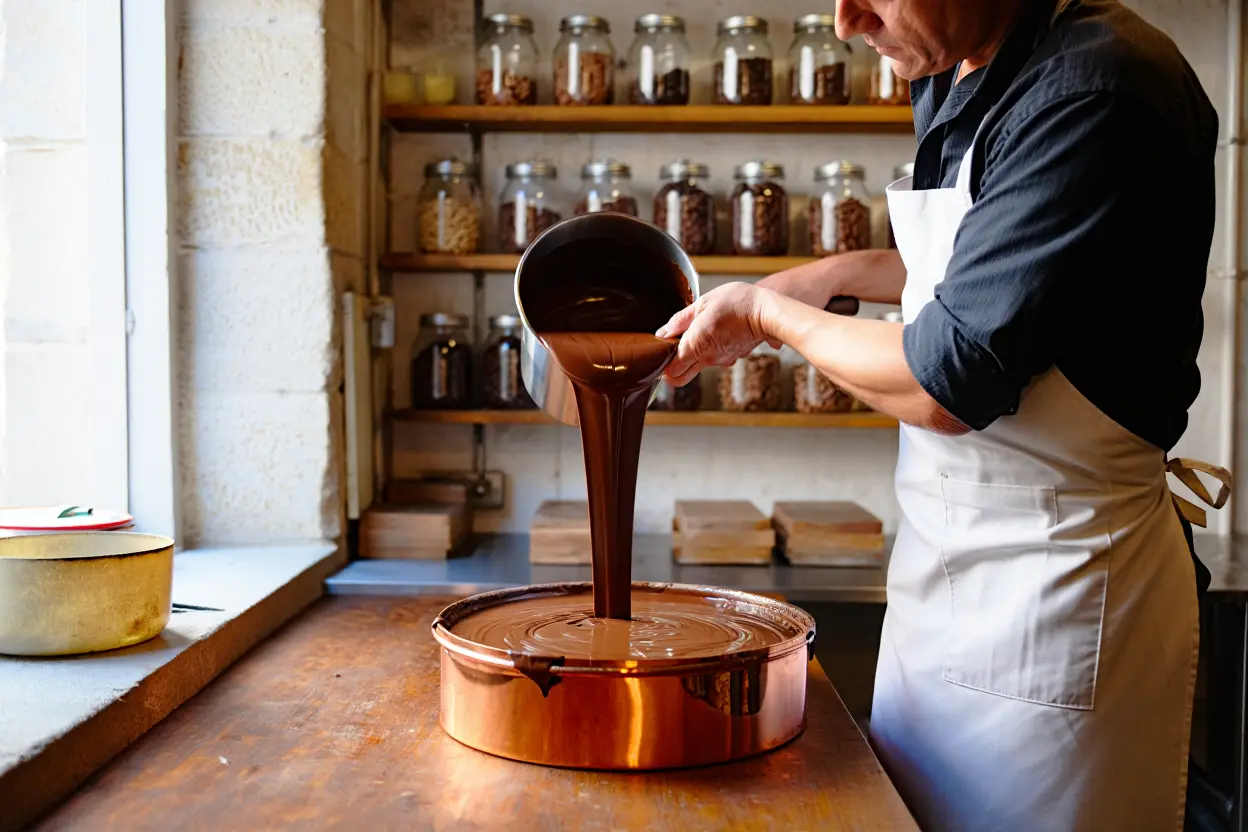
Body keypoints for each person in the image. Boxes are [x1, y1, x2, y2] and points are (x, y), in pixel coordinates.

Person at [656, 0, 1233, 828]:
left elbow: (944, 382)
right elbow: (996, 268)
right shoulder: (964, 63)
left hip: (1059, 598)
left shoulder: (1096, 87)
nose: (846, 22)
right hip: (949, 592)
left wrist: (765, 316)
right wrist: (830, 275)